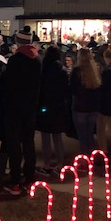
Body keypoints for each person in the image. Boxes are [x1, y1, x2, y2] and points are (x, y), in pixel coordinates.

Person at [1, 26, 42, 195]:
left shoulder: (16, 60)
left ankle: (15, 181)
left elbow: (8, 85)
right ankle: (30, 178)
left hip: (15, 108)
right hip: (31, 108)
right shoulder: (37, 59)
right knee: (29, 143)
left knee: (14, 145)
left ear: (19, 42)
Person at [35, 45, 70, 176]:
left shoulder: (43, 70)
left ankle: (47, 164)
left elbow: (40, 89)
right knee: (57, 137)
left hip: (46, 106)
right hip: (59, 106)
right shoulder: (62, 71)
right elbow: (66, 90)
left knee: (45, 137)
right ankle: (60, 164)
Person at [70, 48, 101, 157]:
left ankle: (84, 159)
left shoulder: (76, 71)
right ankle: (92, 157)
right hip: (93, 107)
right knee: (90, 134)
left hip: (79, 107)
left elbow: (72, 89)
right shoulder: (94, 71)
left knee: (82, 136)